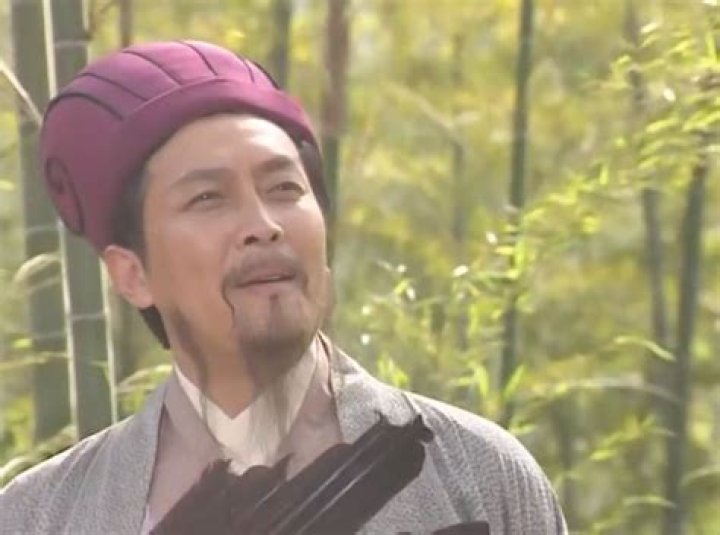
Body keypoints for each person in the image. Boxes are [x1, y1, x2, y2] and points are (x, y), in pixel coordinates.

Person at [0, 41, 566, 534]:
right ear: (132, 274)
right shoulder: (41, 517)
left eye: (284, 188)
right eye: (208, 198)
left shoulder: (476, 473)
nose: (264, 225)